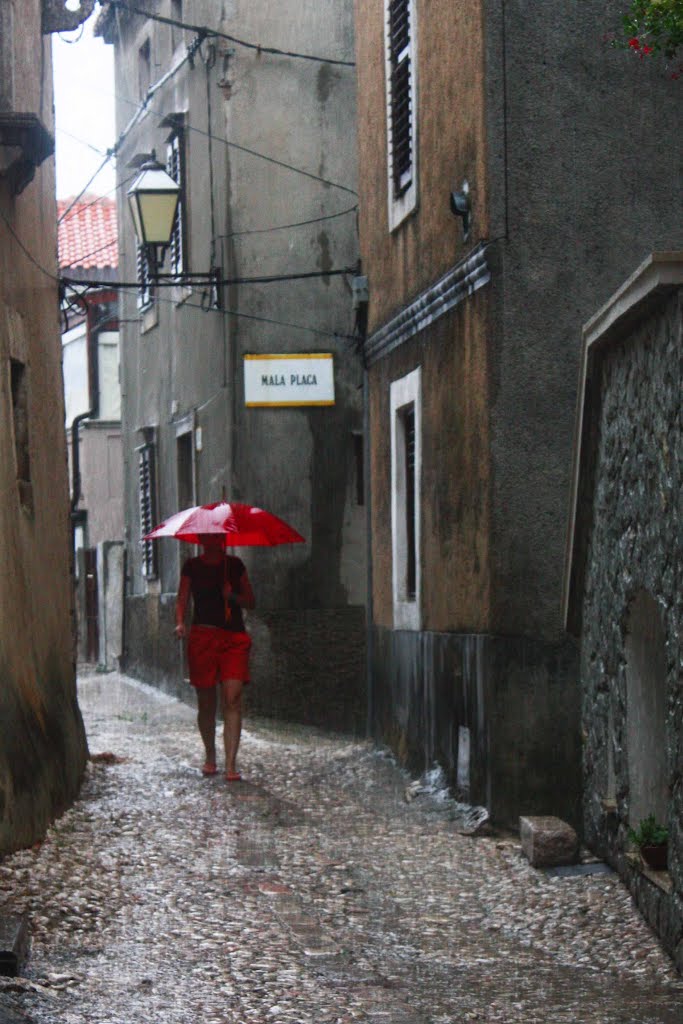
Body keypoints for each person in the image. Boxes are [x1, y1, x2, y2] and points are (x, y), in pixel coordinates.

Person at [174, 534, 255, 780]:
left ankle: (231, 764)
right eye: (207, 535)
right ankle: (210, 755)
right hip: (203, 638)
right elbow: (183, 598)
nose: (212, 539)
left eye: (216, 534)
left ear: (222, 537)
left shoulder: (235, 565)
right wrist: (180, 623)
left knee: (232, 698)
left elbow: (251, 601)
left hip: (233, 639)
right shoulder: (192, 566)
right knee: (207, 702)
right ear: (201, 538)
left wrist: (232, 596)